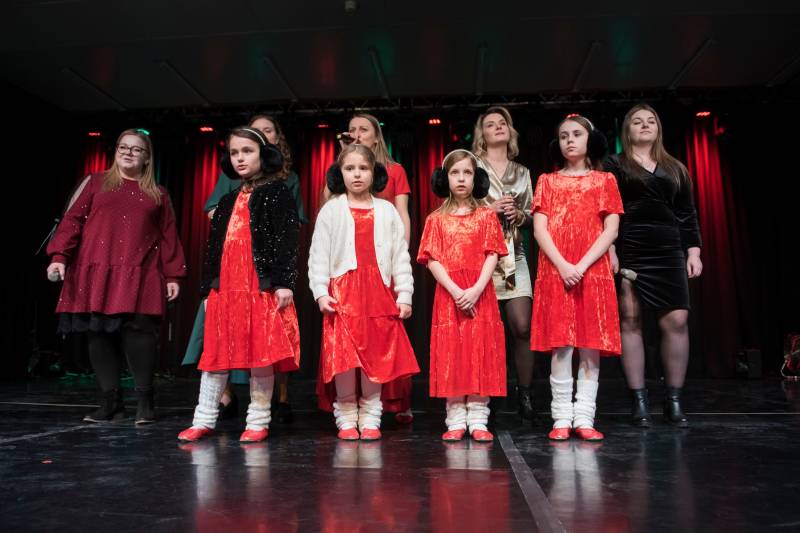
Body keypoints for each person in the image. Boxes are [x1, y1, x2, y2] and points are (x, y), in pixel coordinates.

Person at [47, 128, 186, 424]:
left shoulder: (158, 193)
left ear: (147, 157)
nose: (128, 152)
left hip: (140, 271)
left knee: (140, 333)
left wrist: (173, 275)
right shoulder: (94, 182)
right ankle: (111, 403)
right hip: (97, 268)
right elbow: (72, 221)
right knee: (98, 333)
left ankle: (145, 402)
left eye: (136, 149)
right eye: (123, 147)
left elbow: (169, 236)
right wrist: (59, 257)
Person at [178, 127, 300, 443]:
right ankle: (204, 418)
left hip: (259, 286)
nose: (240, 158)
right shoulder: (228, 199)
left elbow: (287, 241)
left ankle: (258, 420)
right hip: (227, 287)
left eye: (247, 151)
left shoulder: (278, 192)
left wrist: (283, 283)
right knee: (215, 354)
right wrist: (208, 289)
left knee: (261, 353)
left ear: (263, 155)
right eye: (234, 153)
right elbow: (214, 248)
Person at [309, 144, 419, 440]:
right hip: (343, 293)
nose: (357, 174)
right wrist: (320, 291)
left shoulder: (386, 210)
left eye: (363, 168)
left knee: (377, 355)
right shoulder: (332, 210)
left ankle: (371, 415)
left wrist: (404, 294)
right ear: (340, 174)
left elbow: (399, 255)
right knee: (344, 358)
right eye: (350, 168)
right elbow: (318, 255)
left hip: (378, 293)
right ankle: (346, 416)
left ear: (374, 173)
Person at [604, 104, 703, 427]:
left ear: (658, 129)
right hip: (630, 246)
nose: (645, 125)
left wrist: (693, 251)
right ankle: (639, 401)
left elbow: (687, 213)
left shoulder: (675, 168)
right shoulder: (614, 165)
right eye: (637, 121)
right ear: (627, 130)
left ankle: (673, 399)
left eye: (651, 121)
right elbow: (606, 211)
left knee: (677, 320)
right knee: (631, 320)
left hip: (668, 249)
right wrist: (611, 250)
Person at [530, 115, 623, 441]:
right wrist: (563, 265)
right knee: (562, 345)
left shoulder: (604, 180)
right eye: (564, 136)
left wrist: (581, 265)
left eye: (577, 134)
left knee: (589, 344)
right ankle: (561, 418)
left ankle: (584, 417)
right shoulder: (547, 181)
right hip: (556, 271)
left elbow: (611, 229)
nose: (570, 140)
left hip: (592, 271)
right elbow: (539, 229)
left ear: (590, 139)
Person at [417, 149, 508, 442]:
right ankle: (455, 417)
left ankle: (479, 418)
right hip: (450, 296)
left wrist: (476, 289)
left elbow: (493, 254)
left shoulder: (486, 215)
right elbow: (432, 260)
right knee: (452, 352)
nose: (461, 178)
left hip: (480, 293)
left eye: (467, 173)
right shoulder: (436, 219)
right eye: (455, 173)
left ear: (475, 178)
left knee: (480, 349)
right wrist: (456, 291)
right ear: (444, 178)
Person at [472, 106, 536, 424]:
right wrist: (489, 211)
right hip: (480, 257)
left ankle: (525, 396)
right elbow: (457, 210)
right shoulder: (472, 167)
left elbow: (533, 215)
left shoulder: (522, 172)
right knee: (487, 331)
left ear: (510, 132)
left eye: (503, 123)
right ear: (481, 135)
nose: (498, 127)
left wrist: (519, 215)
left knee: (522, 326)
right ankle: (490, 396)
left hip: (514, 255)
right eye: (490, 124)